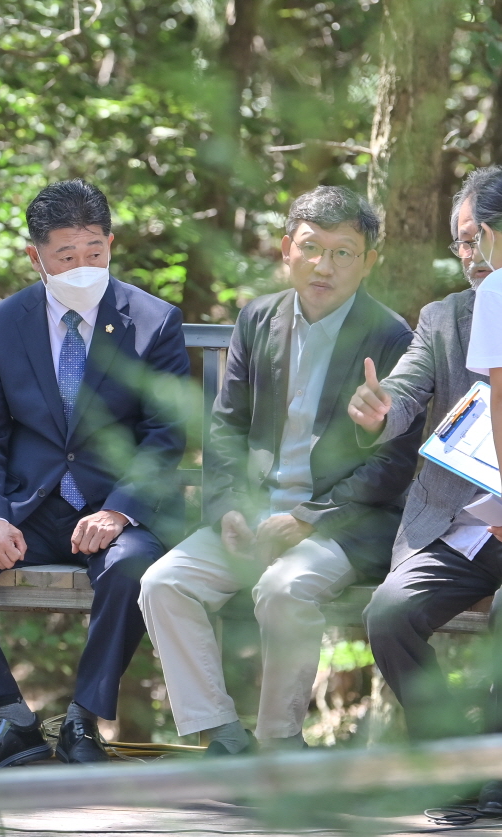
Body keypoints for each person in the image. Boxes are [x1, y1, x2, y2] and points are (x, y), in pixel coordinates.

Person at [0, 179, 190, 768]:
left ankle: (83, 720)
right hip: (27, 509)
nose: (83, 267)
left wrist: (119, 510)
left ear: (111, 244)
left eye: (95, 251)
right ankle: (12, 718)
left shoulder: (152, 320)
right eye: (66, 255)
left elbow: (165, 435)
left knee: (132, 567)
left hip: (114, 510)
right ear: (35, 256)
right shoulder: (2, 323)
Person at [138, 187, 419, 755]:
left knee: (283, 589)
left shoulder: (391, 337)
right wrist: (227, 508)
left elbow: (392, 464)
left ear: (368, 262)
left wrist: (308, 518)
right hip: (256, 513)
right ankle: (223, 737)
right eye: (311, 248)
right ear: (288, 249)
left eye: (343, 253)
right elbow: (226, 428)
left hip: (341, 522)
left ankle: (280, 742)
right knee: (163, 584)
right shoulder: (258, 319)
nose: (324, 266)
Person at [349, 166, 502, 814]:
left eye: (479, 237)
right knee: (389, 613)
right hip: (456, 521)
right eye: (461, 241)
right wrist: (380, 409)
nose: (470, 254)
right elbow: (406, 389)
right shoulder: (444, 318)